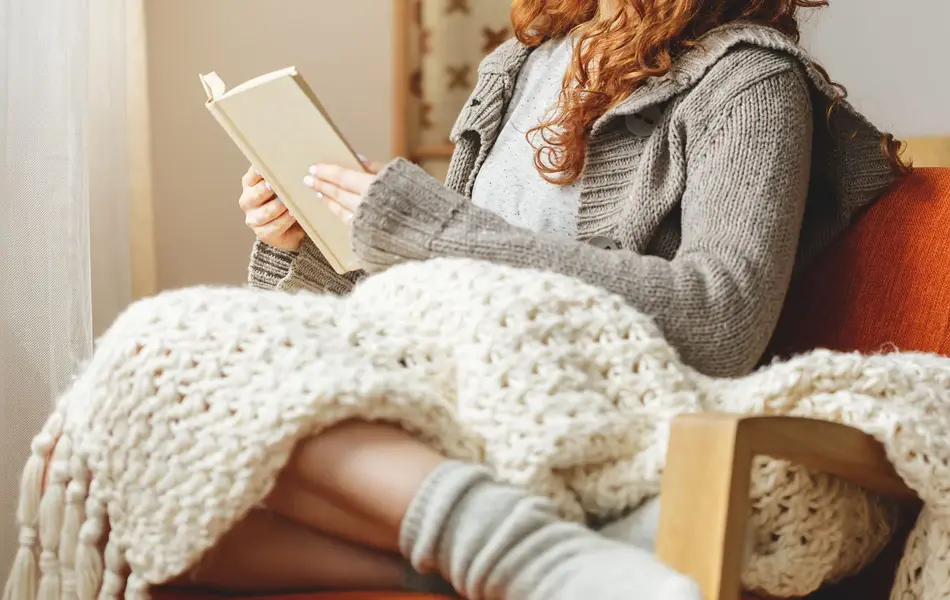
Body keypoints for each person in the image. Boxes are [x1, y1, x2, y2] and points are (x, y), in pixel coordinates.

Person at [216, 0, 908, 597]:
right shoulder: (521, 63)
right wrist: (309, 240)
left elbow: (722, 319)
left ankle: (504, 550)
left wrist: (434, 229)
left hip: (584, 423)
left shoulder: (751, 82)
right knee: (180, 491)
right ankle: (523, 561)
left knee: (171, 362)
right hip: (455, 391)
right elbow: (446, 287)